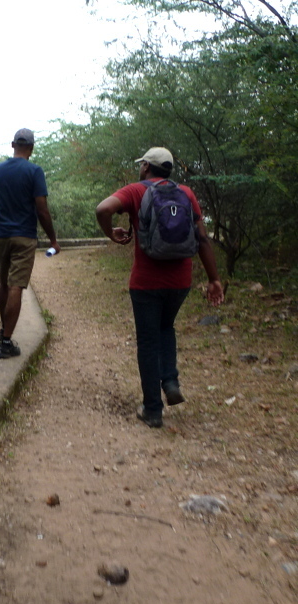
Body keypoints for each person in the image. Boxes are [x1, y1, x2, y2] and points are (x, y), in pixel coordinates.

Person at [96, 146, 224, 428]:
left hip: (146, 282)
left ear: (146, 168)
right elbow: (202, 239)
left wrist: (110, 233)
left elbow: (103, 209)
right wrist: (214, 279)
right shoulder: (187, 193)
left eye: (142, 165)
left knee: (148, 340)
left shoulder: (135, 191)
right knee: (166, 327)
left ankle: (153, 409)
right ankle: (171, 380)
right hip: (180, 281)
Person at [0, 128, 60, 359]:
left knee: (4, 284)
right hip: (23, 236)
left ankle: (5, 329)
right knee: (16, 286)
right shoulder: (34, 172)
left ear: (13, 145)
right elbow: (41, 209)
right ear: (31, 148)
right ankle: (5, 342)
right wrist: (53, 239)